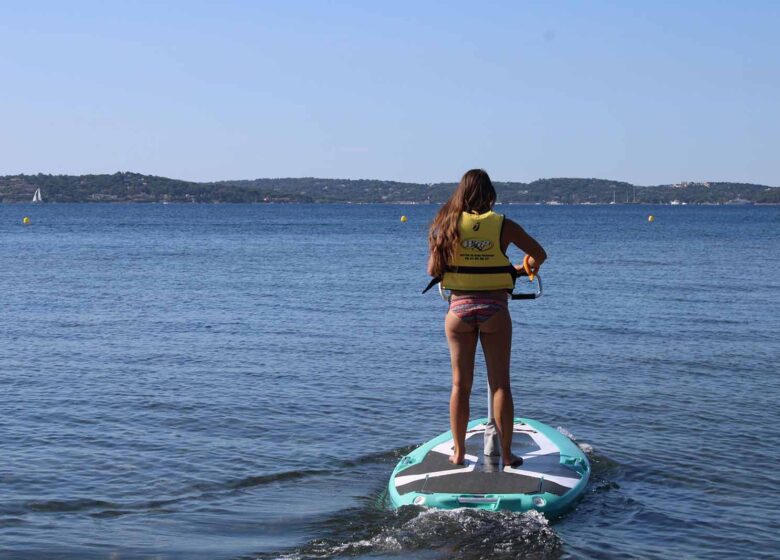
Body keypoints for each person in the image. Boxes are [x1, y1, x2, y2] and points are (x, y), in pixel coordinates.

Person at [427, 169, 547, 468]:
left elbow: (433, 270)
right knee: (500, 385)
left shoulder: (448, 224)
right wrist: (520, 269)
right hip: (495, 310)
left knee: (460, 385)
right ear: (491, 194)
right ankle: (506, 455)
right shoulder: (504, 225)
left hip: (458, 311)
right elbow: (539, 254)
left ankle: (457, 452)